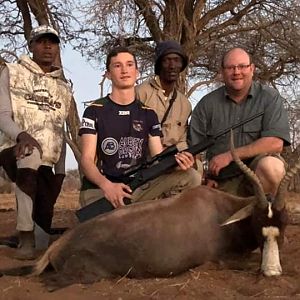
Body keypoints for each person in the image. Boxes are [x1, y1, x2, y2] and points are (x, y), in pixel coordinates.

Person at [79, 46, 195, 209]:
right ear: (108, 74)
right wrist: (108, 186)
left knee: (191, 176)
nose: (124, 70)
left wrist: (177, 162)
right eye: (117, 66)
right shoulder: (94, 110)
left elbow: (158, 157)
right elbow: (86, 160)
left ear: (137, 72)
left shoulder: (148, 114)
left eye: (129, 64)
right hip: (101, 190)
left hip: (135, 188)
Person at [0, 25, 72, 259]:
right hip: (15, 149)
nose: (47, 46)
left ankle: (27, 240)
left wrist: (60, 173)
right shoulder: (12, 72)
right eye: (41, 41)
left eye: (52, 41)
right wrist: (22, 136)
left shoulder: (63, 87)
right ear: (31, 45)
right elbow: (2, 115)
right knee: (29, 153)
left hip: (47, 162)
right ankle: (24, 236)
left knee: (43, 243)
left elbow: (59, 129)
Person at [189, 47, 290, 197]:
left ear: (252, 69)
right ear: (222, 72)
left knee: (272, 167)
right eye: (230, 67)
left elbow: (275, 143)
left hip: (257, 179)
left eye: (242, 66)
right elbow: (193, 150)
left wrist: (230, 155)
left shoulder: (270, 97)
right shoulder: (206, 104)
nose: (237, 72)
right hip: (221, 181)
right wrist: (203, 178)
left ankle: (267, 214)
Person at [135, 40, 202, 197]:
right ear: (159, 65)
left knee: (196, 171)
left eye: (177, 60)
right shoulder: (141, 93)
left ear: (182, 66)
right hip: (144, 166)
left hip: (172, 164)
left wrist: (184, 158)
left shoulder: (184, 103)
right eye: (167, 60)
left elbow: (181, 141)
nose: (172, 66)